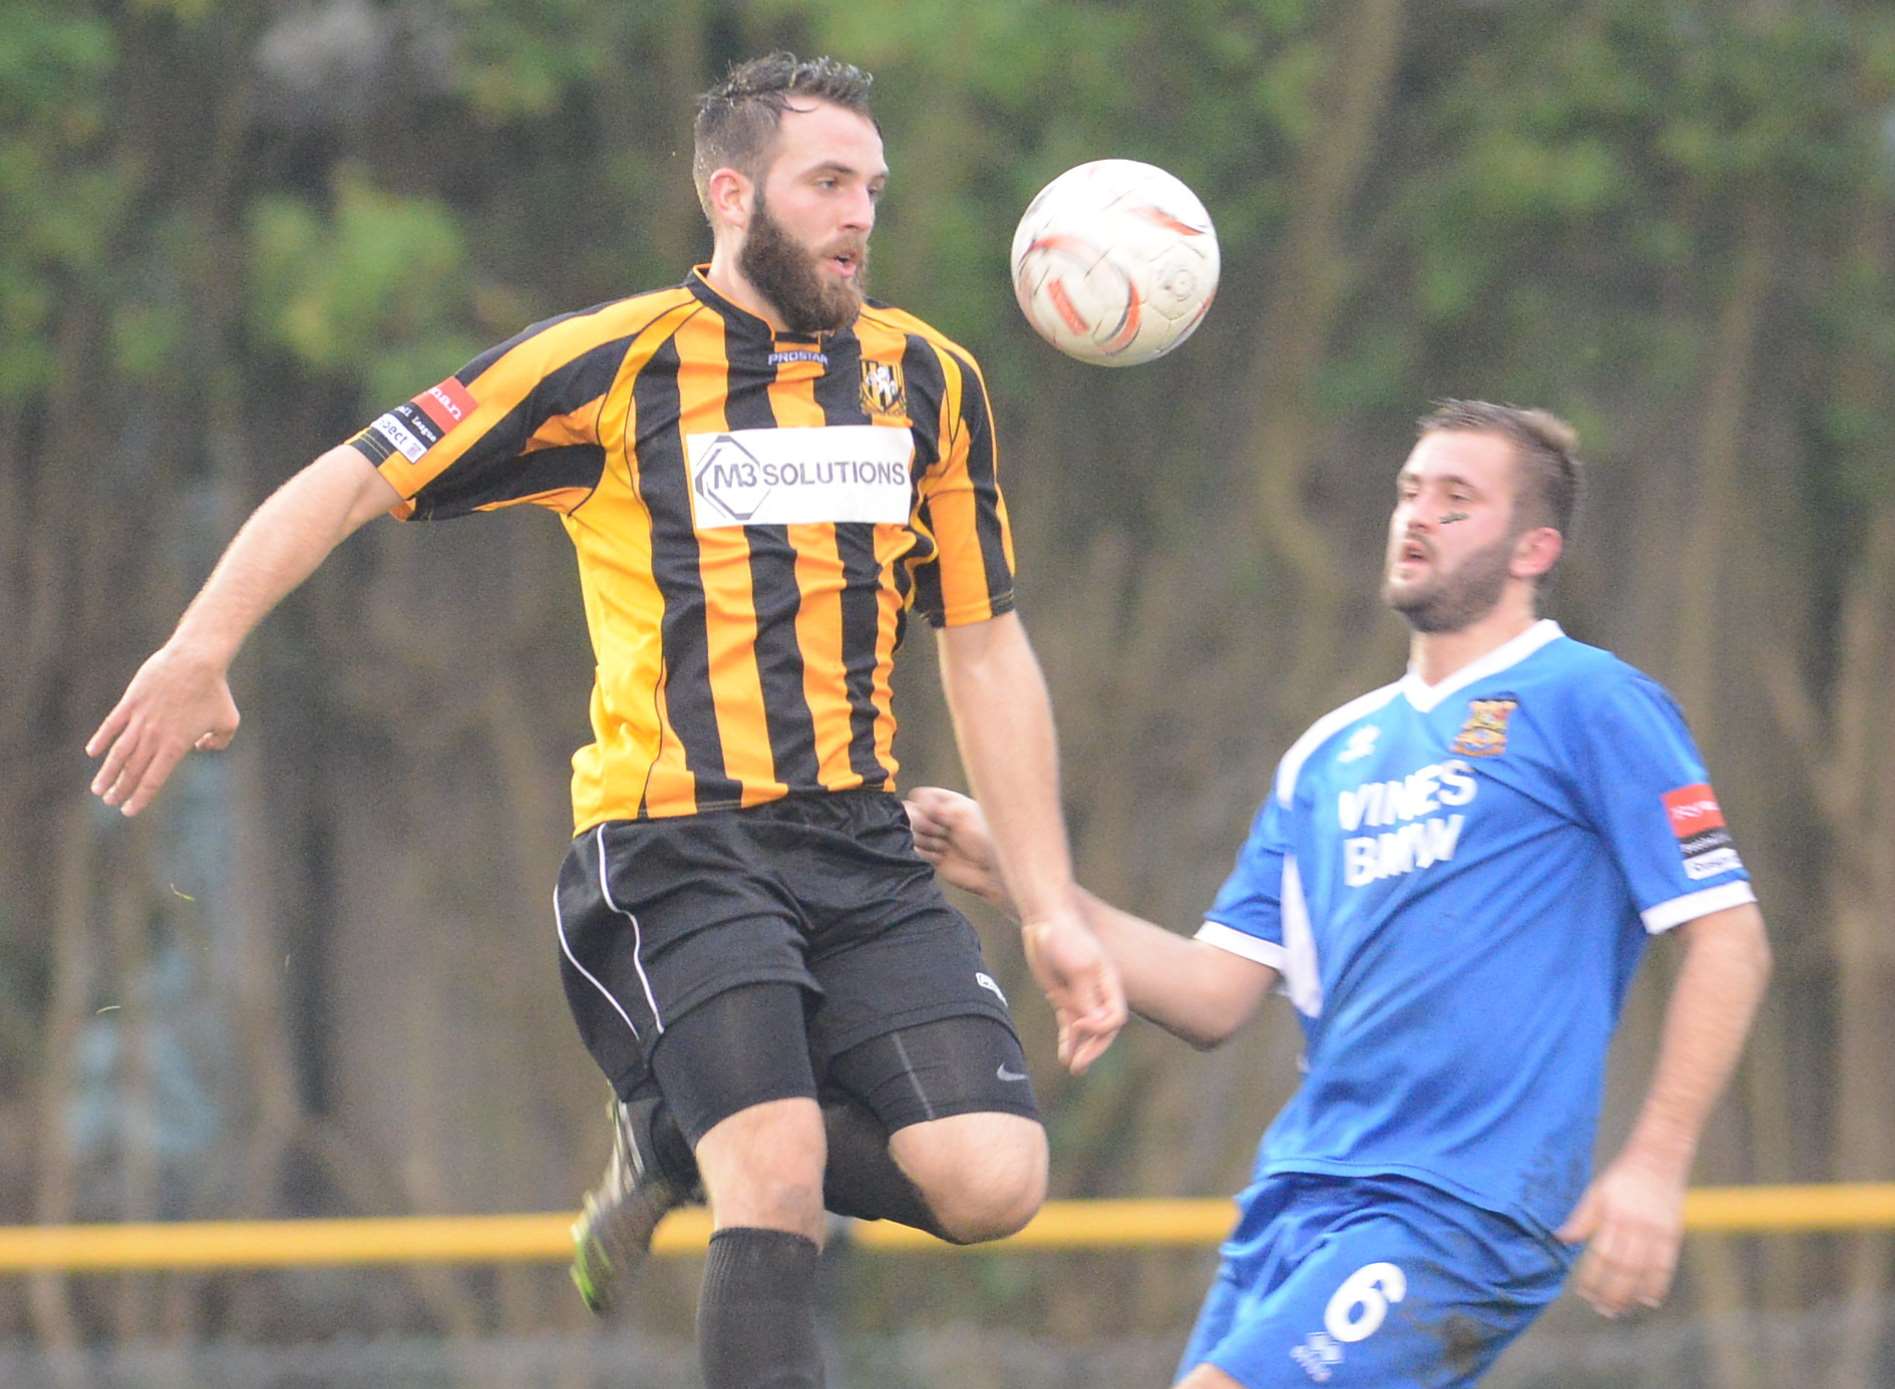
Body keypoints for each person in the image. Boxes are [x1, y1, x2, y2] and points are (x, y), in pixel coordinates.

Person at [85, 52, 1125, 1389]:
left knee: (993, 1180)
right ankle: (712, 1129)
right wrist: (198, 647)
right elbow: (348, 479)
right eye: (826, 183)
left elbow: (983, 649)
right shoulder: (608, 361)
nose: (860, 212)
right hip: (672, 844)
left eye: (870, 184)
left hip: (863, 849)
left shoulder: (926, 379)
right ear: (729, 192)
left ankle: (673, 1132)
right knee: (779, 1164)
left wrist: (1046, 904)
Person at [906, 401, 1773, 1388]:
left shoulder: (1588, 699)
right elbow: (1208, 994)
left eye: (1456, 501)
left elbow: (1729, 941)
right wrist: (1026, 881)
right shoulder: (1327, 755)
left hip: (1459, 1201)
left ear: (1535, 547)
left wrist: (1654, 1167)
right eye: (1409, 492)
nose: (1416, 516)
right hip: (1299, 1196)